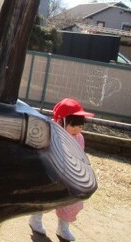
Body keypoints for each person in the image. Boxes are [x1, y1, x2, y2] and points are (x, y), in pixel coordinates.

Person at [28, 98, 95, 241]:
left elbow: (79, 157)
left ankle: (63, 228)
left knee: (72, 202)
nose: (78, 129)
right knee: (46, 198)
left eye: (80, 126)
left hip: (70, 175)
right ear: (61, 121)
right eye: (73, 125)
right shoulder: (51, 134)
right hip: (51, 174)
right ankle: (35, 219)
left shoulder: (79, 138)